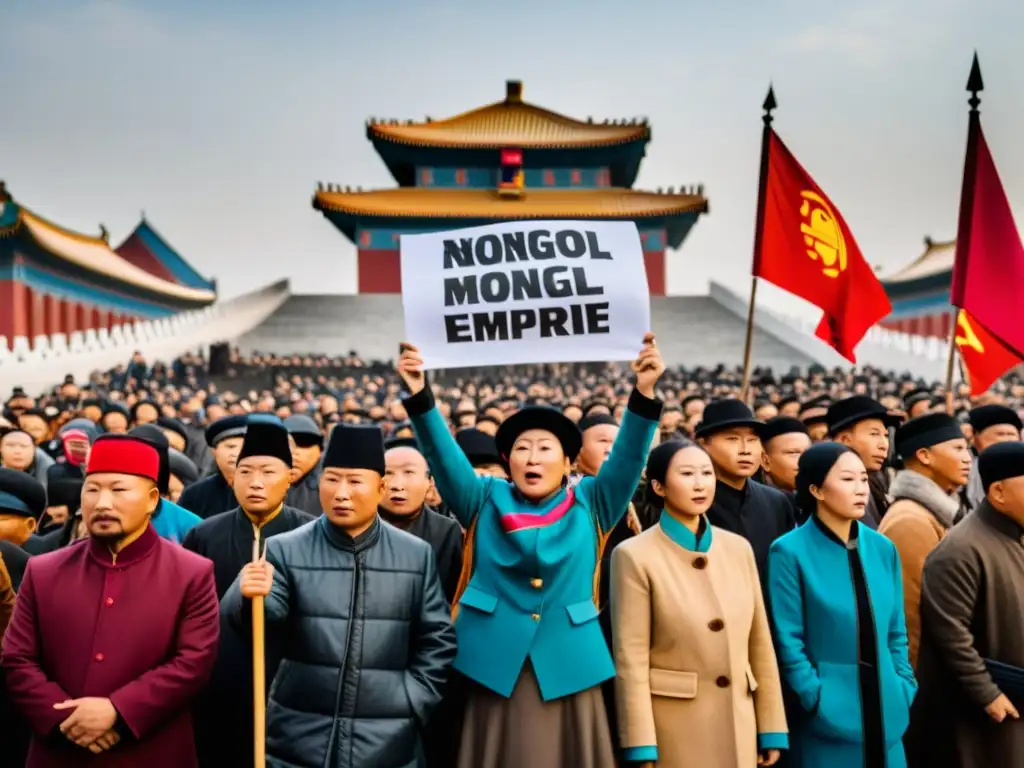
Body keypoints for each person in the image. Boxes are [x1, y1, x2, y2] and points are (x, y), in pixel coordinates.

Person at [397, 335, 664, 768]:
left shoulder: (594, 501)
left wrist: (645, 392)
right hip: (492, 664)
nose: (532, 457)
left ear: (568, 461)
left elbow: (630, 456)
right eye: (521, 448)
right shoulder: (482, 498)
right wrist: (419, 394)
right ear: (507, 460)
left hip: (569, 662)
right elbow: (444, 458)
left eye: (545, 449)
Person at [221, 423, 456, 768]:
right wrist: (244, 594)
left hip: (388, 741)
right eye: (331, 479)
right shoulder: (286, 548)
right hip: (298, 736)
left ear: (379, 487)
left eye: (355, 481)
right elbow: (262, 619)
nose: (341, 493)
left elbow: (437, 639)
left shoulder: (415, 554)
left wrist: (411, 700)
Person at [0, 434, 220, 766]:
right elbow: (17, 658)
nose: (102, 503)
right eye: (92, 489)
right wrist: (66, 719)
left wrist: (118, 712)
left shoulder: (191, 573)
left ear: (151, 500)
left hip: (153, 749)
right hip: (60, 750)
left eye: (118, 490)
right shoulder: (43, 571)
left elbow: (192, 663)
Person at [613, 440, 787, 767]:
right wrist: (640, 742)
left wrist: (771, 725)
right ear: (659, 486)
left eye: (707, 473)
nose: (700, 483)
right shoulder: (635, 556)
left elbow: (760, 644)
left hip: (739, 720)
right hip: (674, 726)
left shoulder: (738, 549)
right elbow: (631, 658)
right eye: (687, 473)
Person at [767, 443, 916, 768]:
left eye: (863, 479)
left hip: (888, 712)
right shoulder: (788, 552)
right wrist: (815, 697)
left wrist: (904, 684)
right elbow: (788, 640)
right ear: (816, 489)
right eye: (847, 479)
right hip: (825, 722)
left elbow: (896, 632)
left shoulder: (882, 548)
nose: (860, 489)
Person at [183, 419, 314, 768]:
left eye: (268, 471)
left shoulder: (312, 534)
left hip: (292, 688)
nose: (255, 482)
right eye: (246, 471)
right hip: (220, 685)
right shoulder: (203, 535)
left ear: (290, 476)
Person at [906, 441, 1024, 767]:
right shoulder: (961, 549)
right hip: (986, 712)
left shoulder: (1015, 535)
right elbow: (950, 635)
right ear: (998, 493)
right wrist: (988, 693)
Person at [877, 413, 971, 666]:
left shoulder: (934, 513)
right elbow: (911, 617)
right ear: (925, 456)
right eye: (958, 448)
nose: (967, 458)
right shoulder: (910, 521)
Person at [697, 400, 795, 587]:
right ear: (704, 444)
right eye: (732, 439)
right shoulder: (693, 501)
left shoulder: (776, 502)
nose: (745, 450)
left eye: (752, 440)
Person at [380, 439, 463, 602]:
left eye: (409, 473)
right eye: (387, 473)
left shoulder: (446, 531)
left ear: (429, 483)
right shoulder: (356, 527)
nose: (397, 485)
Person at [825, 396, 902, 527]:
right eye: (874, 434)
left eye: (886, 436)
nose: (884, 445)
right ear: (844, 440)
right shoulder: (833, 491)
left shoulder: (875, 484)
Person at [177, 415, 247, 518]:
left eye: (244, 447)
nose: (236, 453)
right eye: (230, 447)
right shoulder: (196, 494)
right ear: (214, 451)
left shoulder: (267, 490)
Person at [963, 405, 1022, 513]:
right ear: (976, 438)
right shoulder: (964, 469)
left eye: (1011, 434)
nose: (1008, 439)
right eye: (1000, 434)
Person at [283, 414, 323, 516]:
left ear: (319, 450)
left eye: (304, 443)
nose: (294, 452)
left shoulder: (330, 486)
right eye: (285, 444)